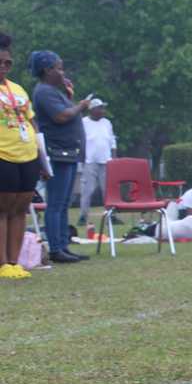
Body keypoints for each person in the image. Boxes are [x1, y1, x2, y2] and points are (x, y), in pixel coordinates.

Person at [30, 49, 89, 263]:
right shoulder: (44, 91)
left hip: (68, 153)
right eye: (59, 68)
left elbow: (66, 110)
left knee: (63, 203)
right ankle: (56, 248)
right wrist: (80, 106)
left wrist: (69, 96)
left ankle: (63, 244)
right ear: (47, 70)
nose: (63, 72)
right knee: (56, 203)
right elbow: (62, 116)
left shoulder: (54, 91)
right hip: (58, 153)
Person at [0, 32, 46, 279]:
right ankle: (2, 264)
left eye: (8, 63)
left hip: (27, 155)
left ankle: (14, 261)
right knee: (2, 209)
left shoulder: (17, 89)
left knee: (20, 209)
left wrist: (42, 158)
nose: (4, 67)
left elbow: (33, 123)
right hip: (3, 156)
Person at [77, 98, 116, 226]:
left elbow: (112, 141)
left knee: (108, 191)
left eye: (103, 108)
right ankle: (83, 216)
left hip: (106, 161)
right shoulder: (84, 122)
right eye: (100, 108)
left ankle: (111, 215)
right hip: (90, 161)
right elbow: (80, 141)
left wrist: (114, 158)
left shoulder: (107, 123)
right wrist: (81, 159)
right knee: (87, 190)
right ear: (92, 110)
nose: (102, 110)